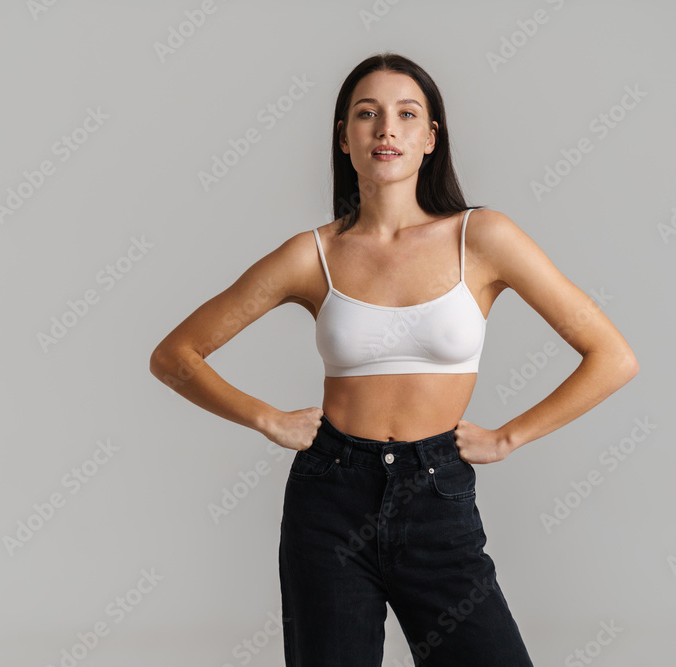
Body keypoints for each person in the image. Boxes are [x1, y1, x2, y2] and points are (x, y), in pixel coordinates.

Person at [150, 52, 638, 666]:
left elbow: (611, 357)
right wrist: (266, 418)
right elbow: (174, 356)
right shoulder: (312, 255)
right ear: (344, 137)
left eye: (407, 114)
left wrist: (510, 437)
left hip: (437, 499)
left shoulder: (482, 238)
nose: (387, 129)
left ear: (430, 138)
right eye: (367, 114)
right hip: (330, 500)